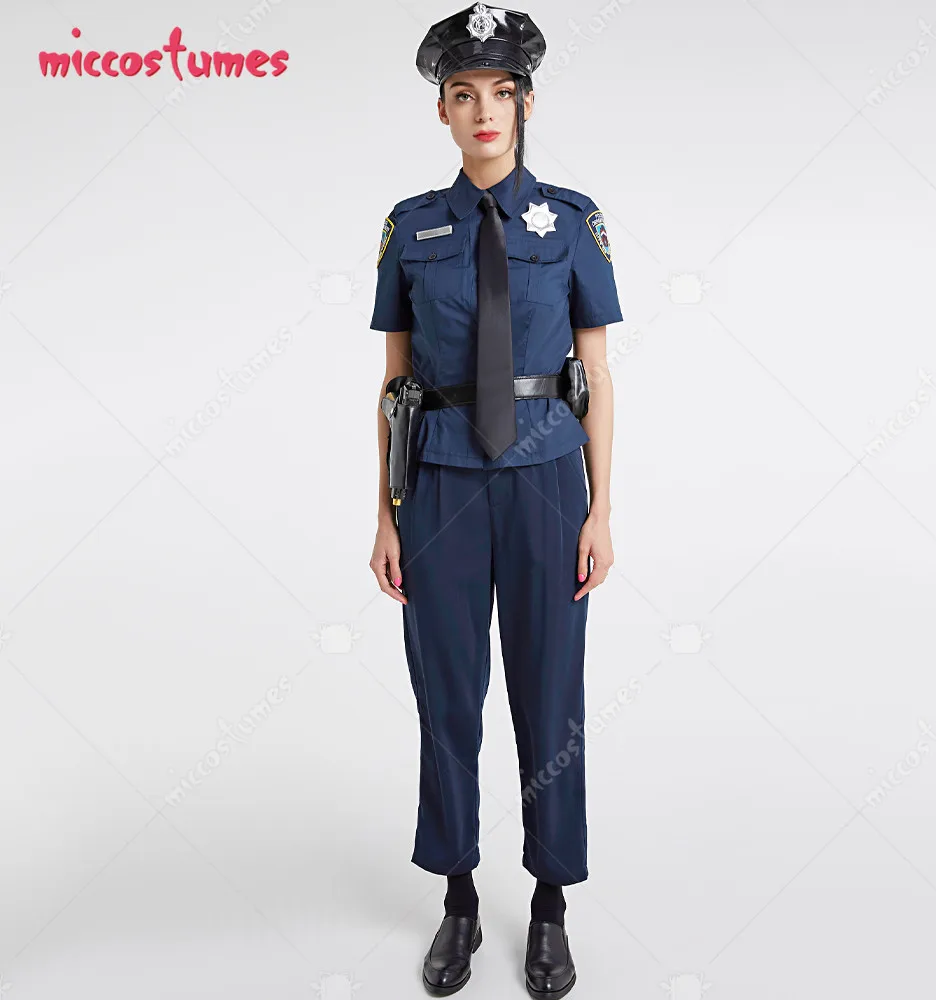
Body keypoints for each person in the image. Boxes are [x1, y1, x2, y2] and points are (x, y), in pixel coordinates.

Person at [368, 4, 622, 996]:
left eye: (501, 92)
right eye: (464, 93)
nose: (484, 110)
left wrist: (600, 510)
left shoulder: (571, 220)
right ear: (441, 110)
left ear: (525, 104)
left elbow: (597, 376)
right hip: (437, 482)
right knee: (446, 696)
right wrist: (384, 515)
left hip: (547, 480)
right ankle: (460, 896)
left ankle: (550, 903)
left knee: (550, 695)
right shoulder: (410, 226)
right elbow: (394, 384)